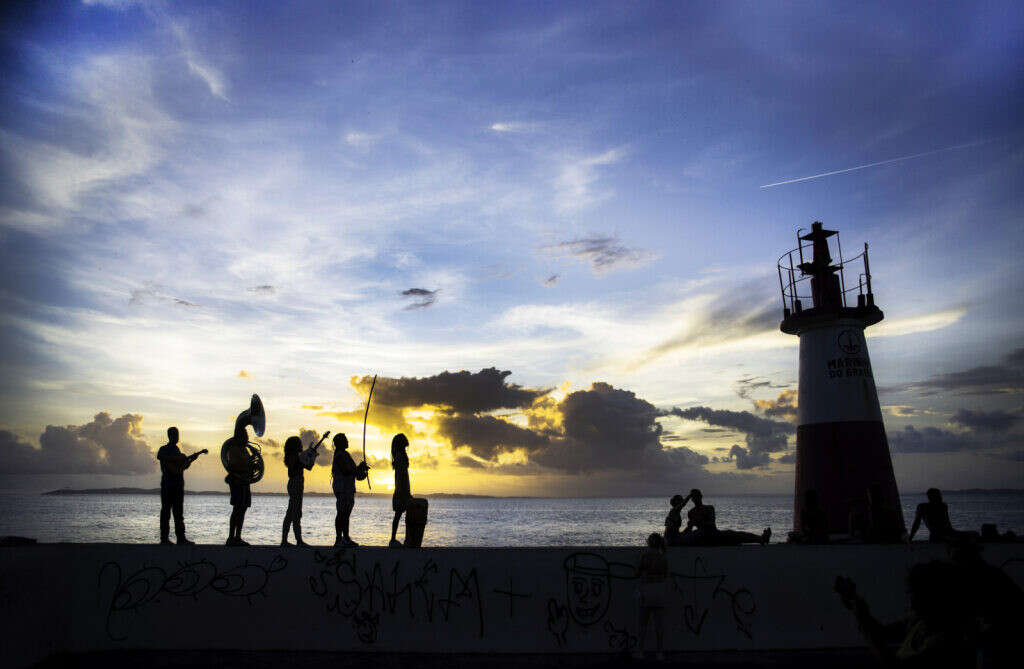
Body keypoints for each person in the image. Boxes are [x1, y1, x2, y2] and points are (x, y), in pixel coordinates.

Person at [835, 562, 975, 668]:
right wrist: (857, 607)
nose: (910, 600)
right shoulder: (919, 622)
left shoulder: (945, 643)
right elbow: (880, 632)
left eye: (914, 593)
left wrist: (860, 611)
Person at [156, 427, 205, 545]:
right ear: (170, 436)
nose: (176, 437)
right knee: (166, 512)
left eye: (177, 434)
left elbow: (182, 466)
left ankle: (181, 538)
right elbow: (160, 457)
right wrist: (179, 458)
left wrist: (192, 458)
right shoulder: (164, 449)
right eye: (174, 435)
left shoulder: (178, 451)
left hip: (178, 486)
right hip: (168, 486)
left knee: (178, 514)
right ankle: (164, 539)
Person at [684, 489, 771, 546]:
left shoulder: (709, 508)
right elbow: (689, 528)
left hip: (714, 534)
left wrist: (698, 522)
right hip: (703, 538)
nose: (696, 498)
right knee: (734, 536)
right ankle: (761, 539)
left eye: (697, 496)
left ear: (701, 496)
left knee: (735, 534)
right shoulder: (691, 512)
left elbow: (711, 523)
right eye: (694, 497)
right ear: (692, 499)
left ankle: (761, 538)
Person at [224, 404, 257, 546]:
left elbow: (249, 464)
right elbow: (234, 465)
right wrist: (250, 464)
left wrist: (253, 463)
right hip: (237, 481)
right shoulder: (233, 449)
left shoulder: (244, 450)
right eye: (245, 435)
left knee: (242, 509)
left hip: (244, 481)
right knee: (237, 509)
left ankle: (238, 537)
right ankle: (231, 537)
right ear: (240, 436)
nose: (247, 437)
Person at [634, 532, 669, 660]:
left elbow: (637, 572)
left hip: (647, 591)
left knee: (643, 624)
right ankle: (660, 652)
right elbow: (665, 574)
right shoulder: (663, 557)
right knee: (659, 625)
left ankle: (640, 651)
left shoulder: (645, 556)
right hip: (659, 591)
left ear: (649, 543)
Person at [331, 433, 369, 547]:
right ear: (341, 443)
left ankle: (346, 538)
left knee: (346, 514)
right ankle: (339, 539)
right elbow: (346, 471)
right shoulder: (339, 455)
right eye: (346, 440)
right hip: (342, 488)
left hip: (348, 488)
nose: (348, 442)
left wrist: (361, 470)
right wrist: (358, 468)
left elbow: (355, 474)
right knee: (341, 513)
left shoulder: (346, 455)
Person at [909, 489, 976, 543]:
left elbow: (947, 524)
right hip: (937, 536)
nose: (941, 497)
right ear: (931, 497)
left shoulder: (943, 506)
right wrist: (910, 538)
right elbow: (916, 524)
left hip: (949, 533)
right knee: (956, 540)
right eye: (938, 495)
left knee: (974, 534)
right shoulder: (923, 507)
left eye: (940, 495)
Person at [281, 436, 313, 547]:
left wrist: (311, 456)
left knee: (293, 512)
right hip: (296, 484)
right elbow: (305, 465)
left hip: (297, 484)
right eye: (299, 444)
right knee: (294, 513)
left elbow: (308, 466)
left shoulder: (294, 457)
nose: (301, 445)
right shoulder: (293, 457)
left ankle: (290, 540)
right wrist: (308, 455)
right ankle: (296, 541)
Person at [389, 433, 412, 547]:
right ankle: (394, 539)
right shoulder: (400, 457)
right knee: (401, 515)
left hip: (401, 490)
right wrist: (406, 493)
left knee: (401, 515)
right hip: (401, 491)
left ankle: (398, 539)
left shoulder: (399, 456)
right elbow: (401, 475)